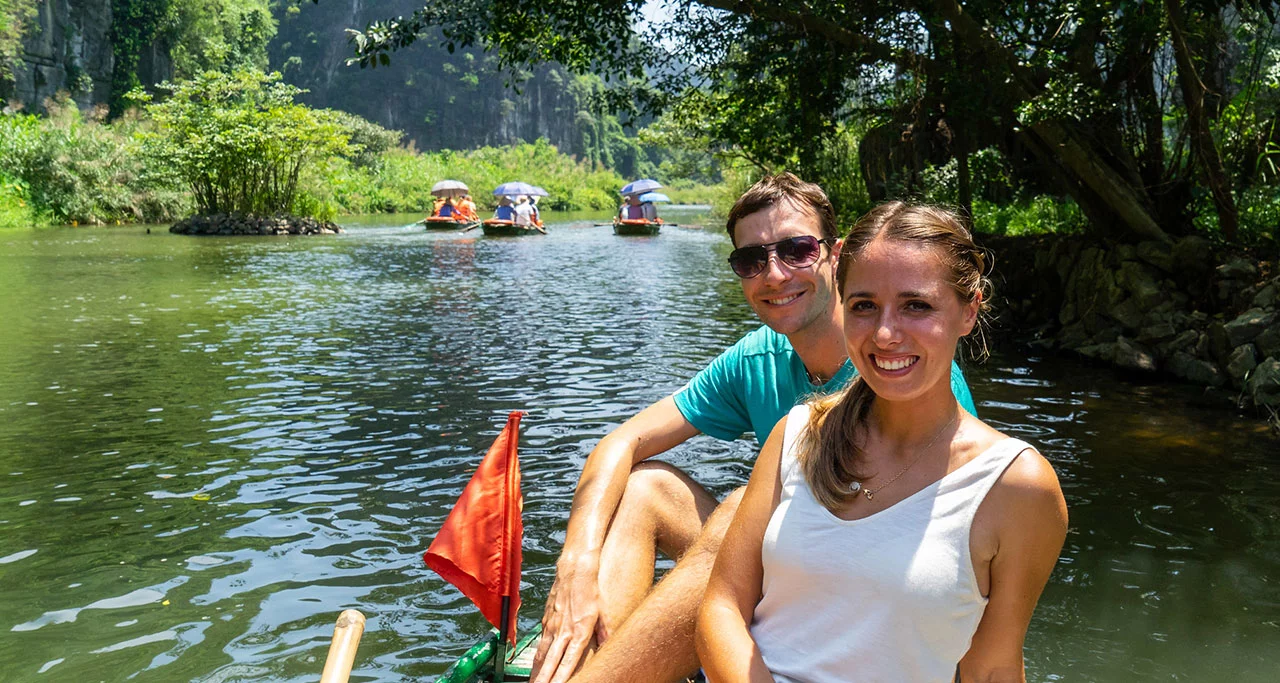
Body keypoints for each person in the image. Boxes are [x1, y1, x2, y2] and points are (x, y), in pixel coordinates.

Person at [531, 174, 979, 683]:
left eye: (796, 250)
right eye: (751, 261)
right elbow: (622, 441)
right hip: (790, 567)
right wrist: (576, 566)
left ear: (835, 255)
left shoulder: (899, 369)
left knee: (735, 516)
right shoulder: (756, 359)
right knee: (647, 488)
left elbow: (944, 557)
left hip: (878, 593)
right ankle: (586, 663)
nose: (774, 274)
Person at [696, 202, 1068, 682]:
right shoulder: (796, 435)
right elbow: (722, 608)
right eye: (864, 306)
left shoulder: (1018, 487)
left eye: (917, 305)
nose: (886, 334)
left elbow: (993, 665)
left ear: (969, 310)